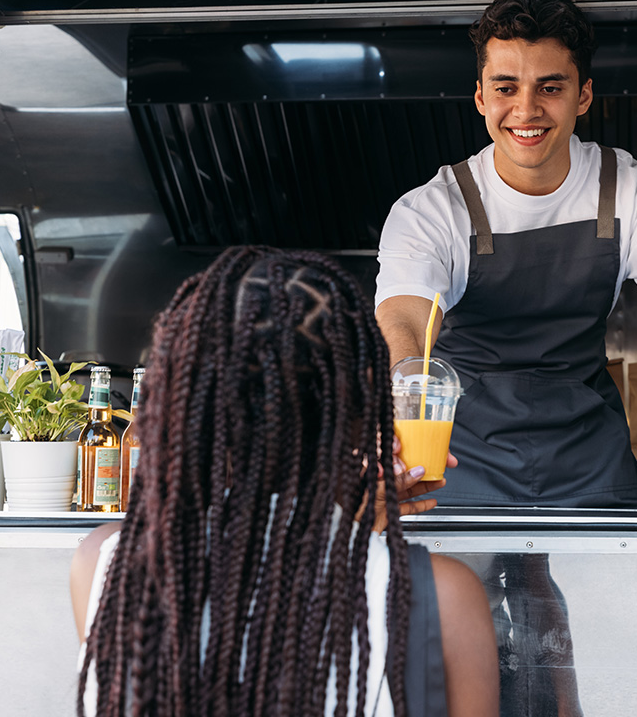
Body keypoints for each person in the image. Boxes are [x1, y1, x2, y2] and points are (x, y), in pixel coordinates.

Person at [69, 247, 498, 717]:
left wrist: (355, 524)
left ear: (183, 405)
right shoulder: (442, 597)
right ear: (361, 414)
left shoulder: (103, 563)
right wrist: (357, 528)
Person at [374, 0, 637, 510]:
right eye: (506, 87)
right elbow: (404, 318)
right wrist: (405, 392)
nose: (526, 110)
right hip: (458, 470)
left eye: (550, 87)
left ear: (583, 95)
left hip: (592, 466)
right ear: (480, 96)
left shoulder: (634, 188)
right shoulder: (432, 209)